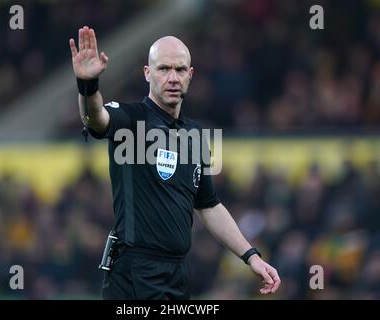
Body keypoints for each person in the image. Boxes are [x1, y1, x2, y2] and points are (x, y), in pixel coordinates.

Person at [69, 26, 281, 299]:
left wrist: (251, 256)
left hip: (177, 274)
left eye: (180, 70)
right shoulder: (130, 120)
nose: (172, 78)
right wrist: (87, 85)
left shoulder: (195, 136)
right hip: (134, 274)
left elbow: (208, 205)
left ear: (190, 76)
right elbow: (95, 118)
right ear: (147, 73)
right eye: (163, 69)